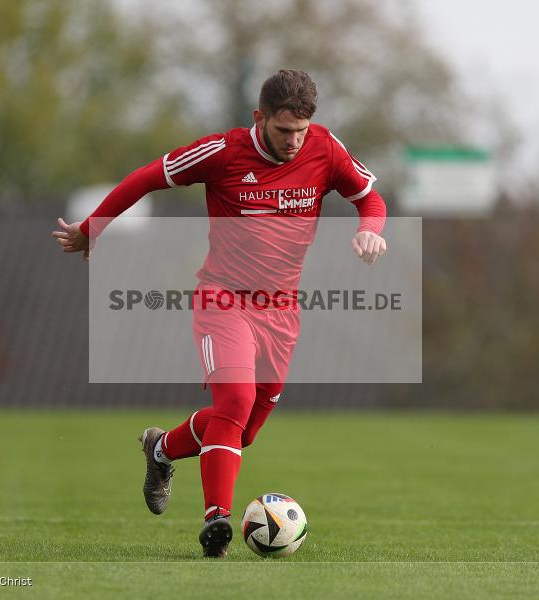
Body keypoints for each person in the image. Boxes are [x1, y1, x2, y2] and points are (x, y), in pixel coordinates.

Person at [52, 69, 387, 557]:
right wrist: (91, 228)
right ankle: (217, 522)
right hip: (223, 300)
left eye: (300, 131)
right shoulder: (223, 152)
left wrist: (370, 229)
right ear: (260, 117)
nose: (294, 141)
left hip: (281, 311)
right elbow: (146, 178)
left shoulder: (324, 147)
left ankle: (161, 448)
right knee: (233, 404)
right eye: (282, 130)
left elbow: (368, 197)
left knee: (243, 432)